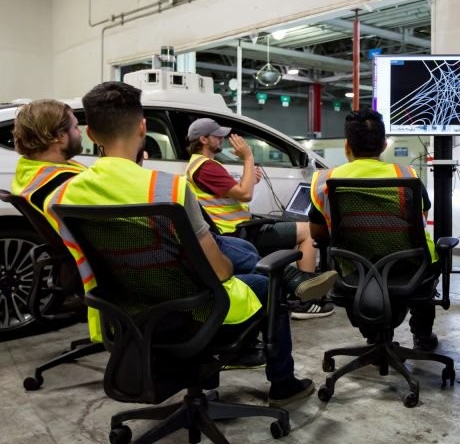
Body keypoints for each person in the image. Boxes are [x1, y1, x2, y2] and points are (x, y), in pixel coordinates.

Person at [44, 81, 336, 407]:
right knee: (265, 281)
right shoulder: (168, 189)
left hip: (123, 315)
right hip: (193, 311)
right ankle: (283, 384)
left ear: (91, 136)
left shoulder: (61, 197)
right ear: (143, 127)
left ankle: (210, 377)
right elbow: (219, 271)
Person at [308, 108, 440, 351]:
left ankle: (372, 331)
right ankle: (422, 334)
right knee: (431, 262)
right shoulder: (407, 174)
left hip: (354, 269)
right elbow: (420, 222)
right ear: (383, 145)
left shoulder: (324, 180)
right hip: (409, 269)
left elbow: (317, 235)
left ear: (347, 146)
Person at [185, 117, 334, 320]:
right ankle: (305, 302)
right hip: (236, 232)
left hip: (236, 228)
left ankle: (297, 287)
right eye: (217, 136)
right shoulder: (206, 167)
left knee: (288, 227)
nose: (222, 139)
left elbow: (236, 192)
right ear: (203, 139)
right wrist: (247, 157)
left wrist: (248, 177)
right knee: (307, 231)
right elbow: (245, 194)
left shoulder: (203, 165)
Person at [11, 99, 85, 212]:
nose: (80, 132)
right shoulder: (66, 183)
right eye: (75, 127)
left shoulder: (27, 167)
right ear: (59, 135)